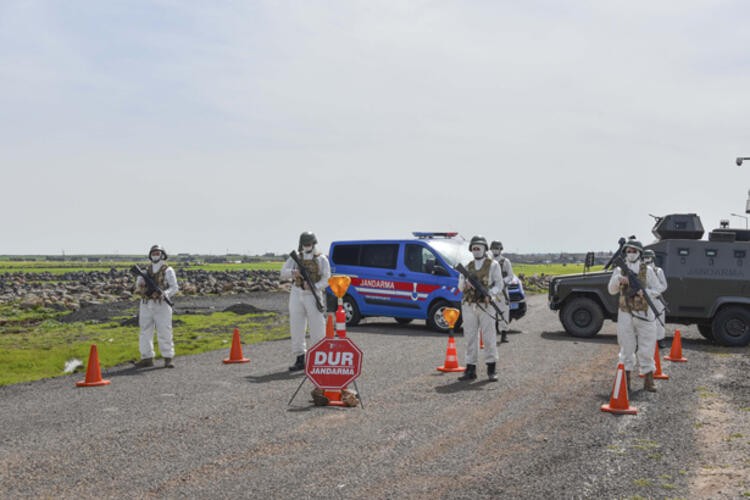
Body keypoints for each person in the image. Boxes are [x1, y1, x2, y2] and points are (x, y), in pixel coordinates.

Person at [607, 240, 661, 392]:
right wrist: (618, 280)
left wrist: (645, 292)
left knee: (647, 347)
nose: (631, 254)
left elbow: (658, 289)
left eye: (634, 251)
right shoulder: (619, 270)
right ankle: (626, 380)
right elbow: (611, 290)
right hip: (625, 313)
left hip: (645, 313)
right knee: (626, 346)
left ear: (640, 253)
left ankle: (649, 379)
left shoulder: (647, 270)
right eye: (628, 251)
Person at [280, 232, 331, 371]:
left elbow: (327, 278)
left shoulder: (321, 259)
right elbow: (283, 272)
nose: (307, 246)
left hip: (313, 295)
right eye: (305, 244)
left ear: (314, 243)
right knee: (296, 326)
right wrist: (293, 273)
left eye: (309, 243)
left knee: (317, 328)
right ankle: (300, 358)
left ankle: (319, 359)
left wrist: (315, 286)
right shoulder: (296, 258)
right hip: (297, 293)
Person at [458, 235, 505, 382]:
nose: (476, 250)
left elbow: (499, 284)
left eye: (479, 247)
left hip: (486, 305)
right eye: (474, 247)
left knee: (489, 337)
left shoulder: (493, 265)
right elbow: (459, 287)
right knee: (470, 338)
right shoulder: (467, 267)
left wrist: (490, 294)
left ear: (485, 248)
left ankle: (491, 369)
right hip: (469, 305)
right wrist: (465, 283)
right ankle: (470, 369)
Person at [134, 244, 179, 368]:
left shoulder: (168, 270)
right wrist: (143, 286)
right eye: (153, 253)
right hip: (146, 304)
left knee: (164, 330)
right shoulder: (144, 271)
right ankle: (146, 357)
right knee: (144, 331)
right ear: (150, 255)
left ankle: (168, 357)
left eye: (157, 253)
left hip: (162, 304)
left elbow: (174, 288)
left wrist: (164, 293)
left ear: (162, 254)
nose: (155, 255)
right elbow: (138, 286)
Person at [643, 249, 668, 349]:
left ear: (653, 258)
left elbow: (664, 285)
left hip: (656, 299)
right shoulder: (641, 270)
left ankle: (660, 340)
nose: (646, 259)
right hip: (644, 299)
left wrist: (653, 293)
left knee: (659, 320)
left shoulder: (658, 271)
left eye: (648, 257)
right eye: (644, 257)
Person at [490, 240, 513, 343]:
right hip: (491, 289)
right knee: (490, 312)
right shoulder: (488, 261)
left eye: (497, 248)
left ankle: (504, 333)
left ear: (500, 249)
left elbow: (510, 276)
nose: (495, 250)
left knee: (503, 311)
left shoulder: (505, 261)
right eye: (494, 248)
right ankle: (492, 333)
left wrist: (502, 282)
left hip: (502, 291)